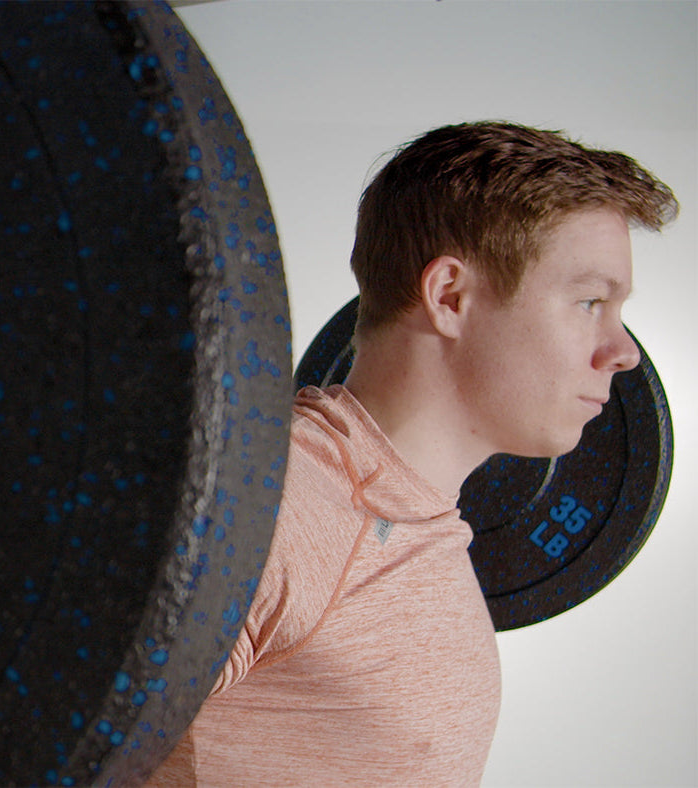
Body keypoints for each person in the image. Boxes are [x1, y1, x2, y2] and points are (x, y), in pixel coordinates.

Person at [150, 121, 678, 786]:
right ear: (450, 296)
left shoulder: (417, 524)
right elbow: (51, 742)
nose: (623, 352)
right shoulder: (275, 511)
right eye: (590, 301)